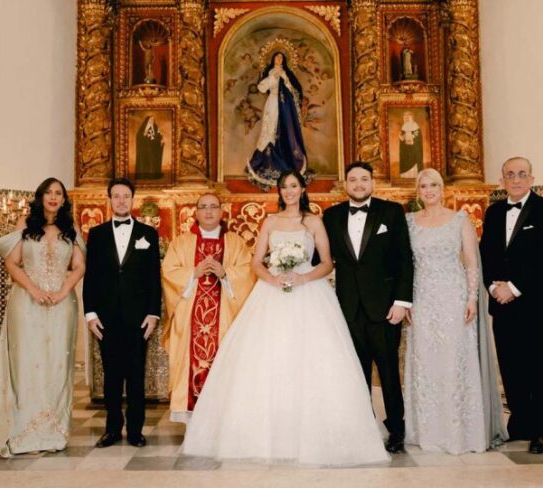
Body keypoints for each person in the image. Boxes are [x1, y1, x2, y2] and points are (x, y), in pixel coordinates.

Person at [182, 169, 389, 466]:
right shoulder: (270, 221)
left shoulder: (314, 221)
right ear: (279, 192)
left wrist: (303, 278)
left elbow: (327, 263)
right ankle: (269, 435)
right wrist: (273, 278)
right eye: (284, 187)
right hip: (272, 292)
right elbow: (256, 262)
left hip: (308, 292)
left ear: (302, 189)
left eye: (293, 186)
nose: (289, 191)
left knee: (312, 361)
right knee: (269, 361)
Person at [0, 178, 86, 457]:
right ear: (40, 196)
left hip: (62, 305)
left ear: (64, 199)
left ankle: (52, 432)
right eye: (48, 192)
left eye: (58, 193)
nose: (53, 197)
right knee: (27, 363)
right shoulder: (25, 224)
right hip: (26, 303)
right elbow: (11, 262)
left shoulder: (70, 228)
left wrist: (63, 291)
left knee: (57, 365)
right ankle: (23, 432)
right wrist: (34, 289)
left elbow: (79, 266)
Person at [403, 168, 507, 454]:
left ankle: (460, 430)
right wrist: (406, 301)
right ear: (418, 191)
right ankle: (427, 430)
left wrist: (472, 298)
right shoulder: (409, 222)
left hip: (454, 296)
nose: (429, 190)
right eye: (423, 186)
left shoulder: (460, 219)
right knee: (425, 361)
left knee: (454, 360)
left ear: (442, 189)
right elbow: (404, 264)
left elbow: (471, 261)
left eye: (434, 185)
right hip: (422, 297)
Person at [323, 161, 413, 453]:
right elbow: (321, 258)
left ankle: (396, 430)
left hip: (385, 308)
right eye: (353, 179)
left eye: (364, 179)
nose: (359, 184)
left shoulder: (392, 212)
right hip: (348, 309)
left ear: (372, 182)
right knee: (355, 373)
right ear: (345, 184)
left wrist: (401, 302)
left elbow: (404, 259)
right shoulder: (331, 216)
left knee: (388, 372)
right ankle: (364, 429)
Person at [480, 157, 543, 455]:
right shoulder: (493, 212)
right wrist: (493, 287)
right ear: (502, 180)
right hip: (502, 303)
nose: (516, 179)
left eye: (521, 174)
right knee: (510, 365)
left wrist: (514, 288)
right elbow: (486, 254)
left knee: (536, 367)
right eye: (510, 175)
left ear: (531, 178)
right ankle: (520, 423)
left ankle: (541, 430)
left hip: (535, 302)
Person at [161, 193, 256, 423]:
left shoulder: (235, 242)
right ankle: (191, 422)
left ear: (221, 211)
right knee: (189, 365)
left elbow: (248, 272)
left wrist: (225, 273)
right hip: (189, 317)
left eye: (213, 206)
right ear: (196, 212)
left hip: (225, 319)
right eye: (203, 207)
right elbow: (169, 271)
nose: (209, 211)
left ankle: (221, 421)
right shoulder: (181, 242)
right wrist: (193, 272)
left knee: (225, 363)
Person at [82, 178, 162, 448]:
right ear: (109, 199)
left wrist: (153, 313)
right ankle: (113, 429)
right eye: (116, 196)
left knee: (136, 376)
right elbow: (91, 277)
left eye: (125, 196)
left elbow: (153, 277)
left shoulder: (148, 234)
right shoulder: (96, 234)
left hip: (138, 318)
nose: (121, 200)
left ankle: (136, 430)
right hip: (106, 318)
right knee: (112, 376)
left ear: (132, 199)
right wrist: (90, 314)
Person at [246, 51, 308, 189]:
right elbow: (262, 88)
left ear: (284, 60)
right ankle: (267, 163)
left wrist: (285, 79)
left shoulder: (287, 73)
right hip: (273, 103)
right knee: (270, 131)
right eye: (277, 57)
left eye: (281, 57)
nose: (279, 59)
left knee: (285, 131)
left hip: (285, 107)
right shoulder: (269, 72)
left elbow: (295, 91)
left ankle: (285, 162)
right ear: (273, 58)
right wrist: (273, 77)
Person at [135, 115, 164, 180]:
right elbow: (139, 136)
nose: (152, 121)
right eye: (151, 120)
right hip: (145, 148)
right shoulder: (143, 128)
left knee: (153, 161)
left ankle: (153, 175)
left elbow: (159, 135)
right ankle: (144, 175)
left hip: (153, 148)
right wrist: (144, 136)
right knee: (146, 161)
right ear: (148, 121)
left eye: (153, 120)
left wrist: (161, 140)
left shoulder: (156, 128)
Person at [399, 111, 423, 178]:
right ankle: (406, 175)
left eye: (408, 116)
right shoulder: (403, 126)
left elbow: (418, 138)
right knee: (406, 160)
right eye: (405, 117)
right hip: (406, 149)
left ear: (411, 117)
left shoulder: (415, 126)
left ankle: (415, 175)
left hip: (414, 149)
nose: (406, 118)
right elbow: (402, 139)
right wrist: (401, 137)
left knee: (414, 160)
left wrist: (412, 137)